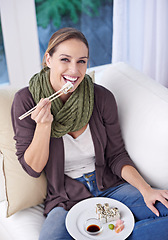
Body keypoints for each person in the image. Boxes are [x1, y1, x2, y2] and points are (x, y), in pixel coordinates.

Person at [11, 27, 168, 240]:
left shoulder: (101, 98)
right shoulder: (26, 101)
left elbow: (116, 155)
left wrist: (146, 189)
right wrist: (44, 126)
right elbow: (33, 168)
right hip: (64, 197)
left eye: (81, 61)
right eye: (65, 59)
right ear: (48, 59)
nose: (74, 71)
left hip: (110, 186)